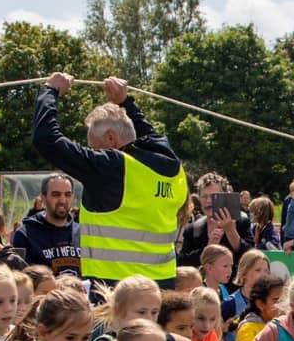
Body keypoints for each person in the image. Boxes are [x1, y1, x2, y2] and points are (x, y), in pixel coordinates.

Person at [36, 73, 188, 287]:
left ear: (111, 138)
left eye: (94, 145)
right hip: (161, 286)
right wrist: (125, 102)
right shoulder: (173, 167)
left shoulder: (113, 166)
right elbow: (152, 138)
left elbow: (46, 139)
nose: (93, 152)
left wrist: (50, 91)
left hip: (114, 289)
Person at [13, 173, 84, 275]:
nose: (62, 200)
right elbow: (20, 279)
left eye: (67, 195)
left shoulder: (82, 233)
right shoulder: (25, 234)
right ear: (43, 197)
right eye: (56, 194)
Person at [178, 172, 253, 267]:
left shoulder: (241, 221)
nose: (208, 201)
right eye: (204, 196)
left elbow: (251, 258)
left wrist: (231, 231)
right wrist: (208, 248)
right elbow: (183, 262)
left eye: (213, 196)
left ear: (224, 197)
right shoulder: (193, 229)